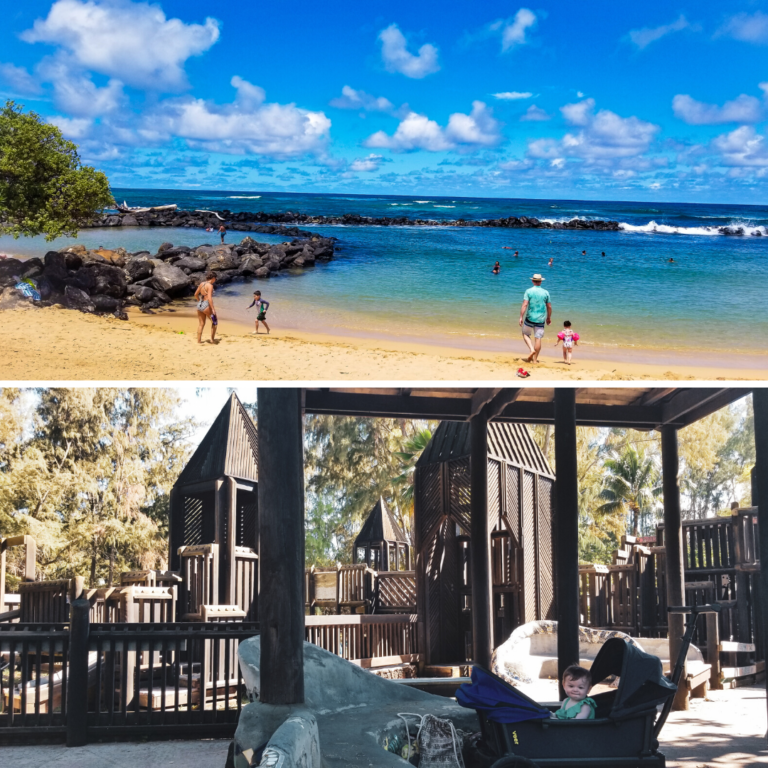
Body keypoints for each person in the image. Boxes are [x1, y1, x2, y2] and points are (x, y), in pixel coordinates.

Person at [519, 273, 551, 363]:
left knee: (525, 334)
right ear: (540, 282)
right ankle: (535, 360)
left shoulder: (528, 291)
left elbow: (525, 304)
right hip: (541, 319)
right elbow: (549, 307)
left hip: (530, 317)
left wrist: (521, 316)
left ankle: (531, 349)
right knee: (538, 338)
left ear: (532, 281)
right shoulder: (546, 292)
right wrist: (548, 317)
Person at [194, 272, 218, 344]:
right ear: (213, 278)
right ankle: (212, 340)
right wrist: (213, 309)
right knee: (214, 322)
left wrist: (199, 301)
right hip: (207, 305)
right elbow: (210, 298)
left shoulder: (202, 284)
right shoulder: (210, 286)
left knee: (201, 324)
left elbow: (195, 294)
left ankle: (199, 341)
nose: (215, 280)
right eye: (215, 279)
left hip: (200, 305)